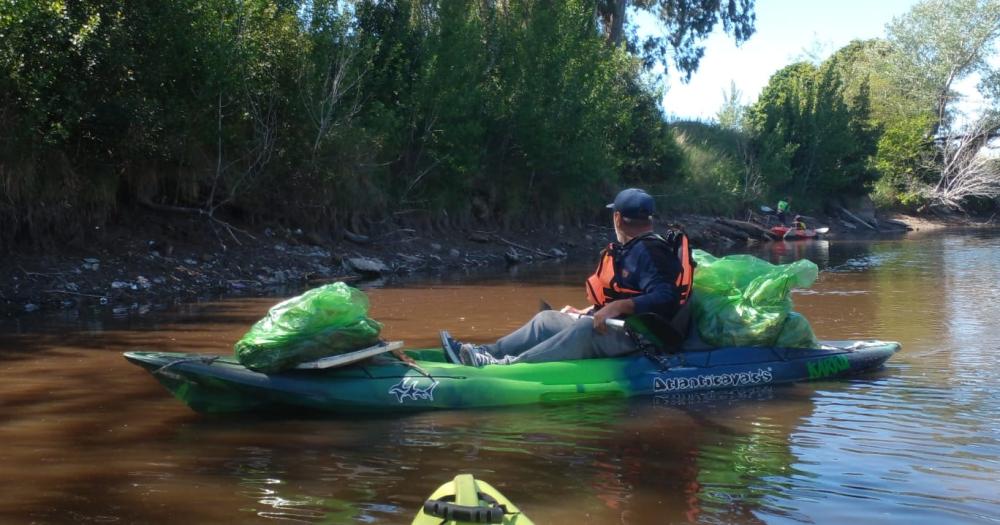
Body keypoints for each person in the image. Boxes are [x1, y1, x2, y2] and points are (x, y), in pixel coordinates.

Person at [440, 188, 695, 367]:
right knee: (546, 320)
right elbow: (626, 292)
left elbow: (665, 298)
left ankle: (506, 366)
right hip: (623, 326)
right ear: (647, 220)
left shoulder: (650, 251)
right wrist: (590, 309)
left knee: (585, 329)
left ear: (617, 217)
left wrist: (614, 308)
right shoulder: (633, 249)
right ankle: (482, 353)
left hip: (643, 338)